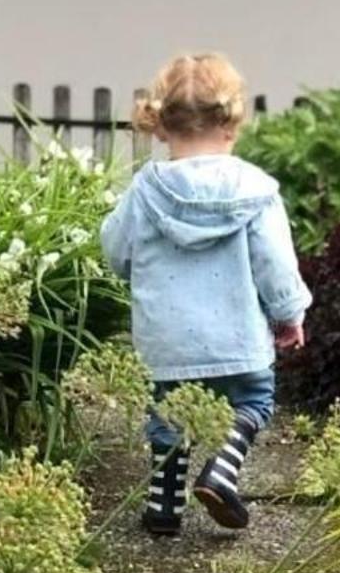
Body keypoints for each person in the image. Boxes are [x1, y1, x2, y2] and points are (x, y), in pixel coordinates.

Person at [100, 52, 311, 536]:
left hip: (165, 342)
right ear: (231, 124)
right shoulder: (255, 190)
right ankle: (222, 471)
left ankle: (163, 509)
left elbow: (116, 249)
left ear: (160, 127)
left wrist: (136, 273)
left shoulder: (144, 190)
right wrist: (289, 313)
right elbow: (275, 263)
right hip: (236, 338)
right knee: (254, 400)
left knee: (166, 419)